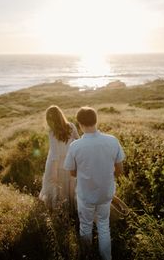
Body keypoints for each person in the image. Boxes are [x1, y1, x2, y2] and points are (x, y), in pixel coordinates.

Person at [64, 106, 125, 260]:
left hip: (86, 194)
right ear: (96, 121)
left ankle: (87, 255)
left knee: (85, 226)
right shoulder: (112, 140)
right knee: (104, 226)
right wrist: (105, 177)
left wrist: (88, 174)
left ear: (79, 124)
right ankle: (107, 257)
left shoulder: (75, 146)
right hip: (106, 193)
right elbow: (120, 169)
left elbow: (71, 172)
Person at [39, 105, 79, 210]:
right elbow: (78, 143)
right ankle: (70, 211)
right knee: (69, 189)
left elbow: (54, 155)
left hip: (56, 165)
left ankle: (58, 211)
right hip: (70, 164)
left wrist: (54, 173)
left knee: (58, 190)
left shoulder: (52, 133)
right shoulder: (71, 126)